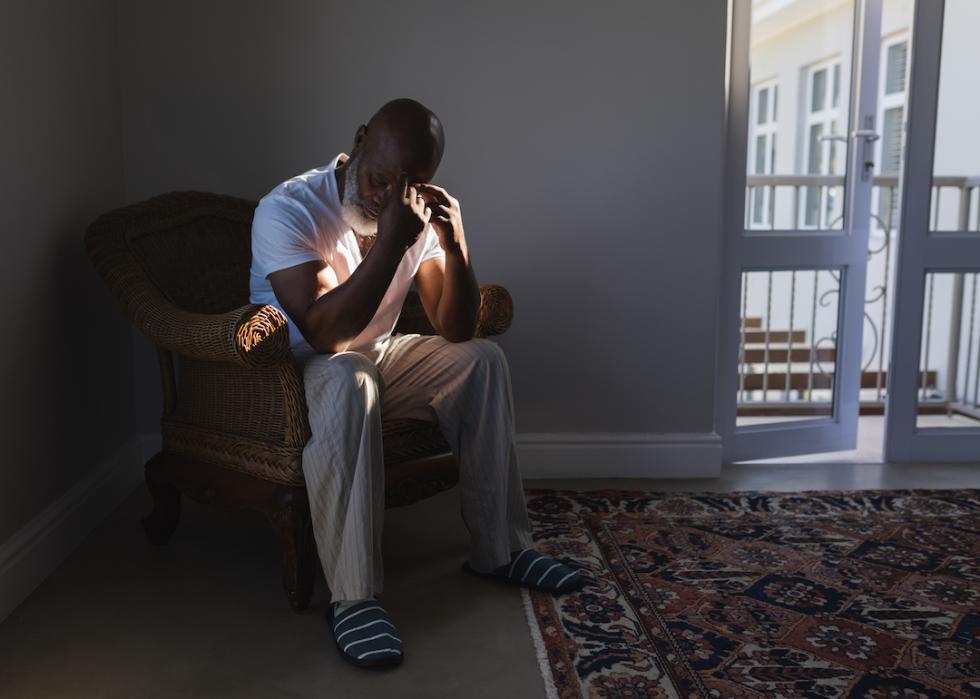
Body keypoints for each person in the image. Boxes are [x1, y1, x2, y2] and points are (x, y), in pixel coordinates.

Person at [249, 98, 584, 669]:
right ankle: (353, 599)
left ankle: (500, 551)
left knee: (482, 360)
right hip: (297, 368)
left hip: (375, 355)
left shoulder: (413, 213)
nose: (388, 196)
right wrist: (389, 244)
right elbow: (326, 333)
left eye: (410, 184)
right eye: (380, 177)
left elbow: (454, 328)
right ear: (358, 141)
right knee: (352, 374)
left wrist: (455, 246)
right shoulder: (289, 208)